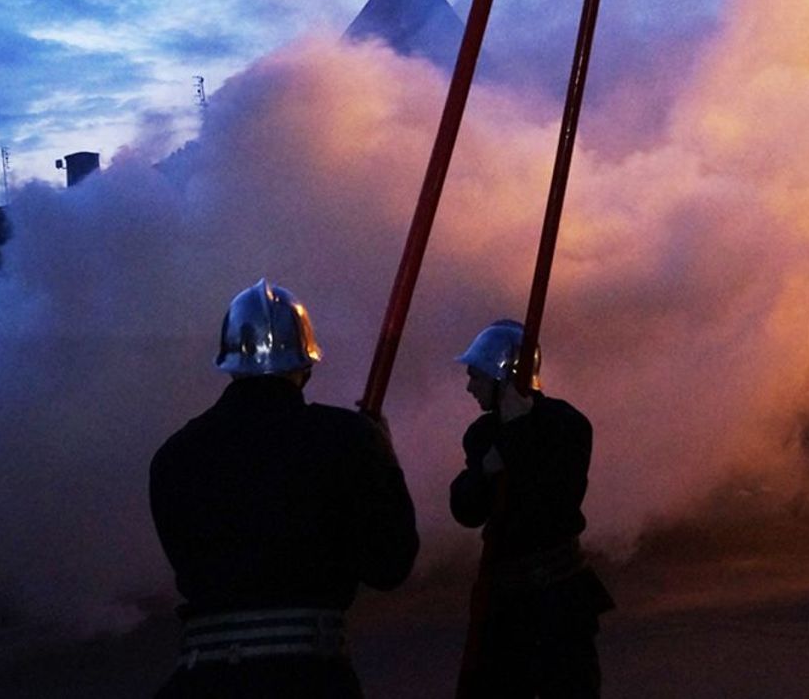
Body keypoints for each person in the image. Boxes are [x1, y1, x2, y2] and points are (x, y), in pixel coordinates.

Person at [149, 278, 419, 698]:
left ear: (230, 364)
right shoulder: (348, 440)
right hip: (310, 679)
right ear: (305, 366)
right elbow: (390, 565)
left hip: (203, 680)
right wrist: (383, 457)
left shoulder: (174, 456)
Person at [449, 319, 614, 697]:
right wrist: (486, 469)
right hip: (504, 608)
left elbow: (554, 500)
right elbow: (466, 510)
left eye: (476, 376)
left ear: (502, 376)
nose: (470, 386)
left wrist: (517, 434)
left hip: (559, 602)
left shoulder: (566, 426)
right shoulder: (482, 435)